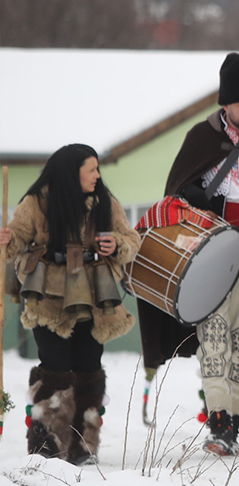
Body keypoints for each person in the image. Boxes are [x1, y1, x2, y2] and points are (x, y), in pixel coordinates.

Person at [137, 53, 239, 457]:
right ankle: (217, 423)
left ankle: (231, 421)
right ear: (225, 105)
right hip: (209, 259)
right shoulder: (202, 137)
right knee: (213, 339)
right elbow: (177, 192)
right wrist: (192, 196)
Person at [1, 144, 140, 465]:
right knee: (55, 367)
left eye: (96, 168)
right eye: (90, 169)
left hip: (94, 295)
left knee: (89, 366)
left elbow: (130, 237)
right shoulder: (38, 202)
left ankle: (82, 446)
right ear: (70, 172)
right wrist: (9, 240)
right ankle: (47, 447)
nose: (97, 175)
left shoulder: (105, 200)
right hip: (49, 297)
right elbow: (19, 236)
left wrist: (117, 243)